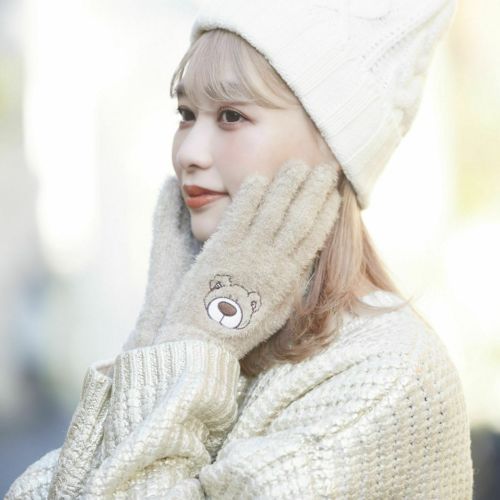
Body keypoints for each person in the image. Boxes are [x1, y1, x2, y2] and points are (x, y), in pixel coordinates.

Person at [6, 0, 473, 498]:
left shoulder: (384, 374)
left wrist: (193, 337)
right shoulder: (218, 340)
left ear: (335, 148)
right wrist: (162, 331)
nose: (187, 152)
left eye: (231, 115)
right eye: (186, 114)